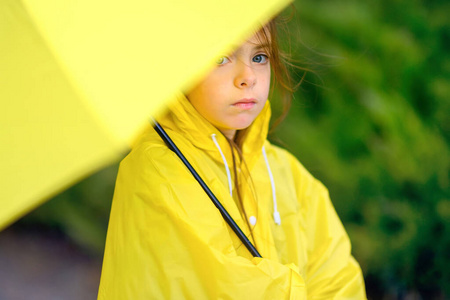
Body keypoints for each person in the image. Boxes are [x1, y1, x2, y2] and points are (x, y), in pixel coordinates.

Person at [98, 18, 367, 299]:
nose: (248, 77)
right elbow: (213, 285)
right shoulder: (157, 170)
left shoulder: (286, 172)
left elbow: (337, 277)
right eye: (221, 57)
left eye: (260, 56)